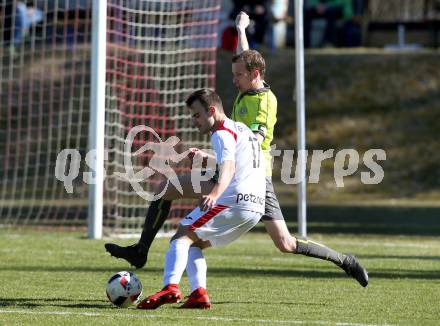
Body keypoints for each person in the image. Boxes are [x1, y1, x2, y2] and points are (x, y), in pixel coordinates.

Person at [105, 11, 368, 288]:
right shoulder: (248, 87)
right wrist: (241, 28)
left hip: (251, 177)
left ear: (254, 75)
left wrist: (213, 159)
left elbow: (252, 141)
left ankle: (345, 260)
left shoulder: (263, 104)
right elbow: (244, 56)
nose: (234, 80)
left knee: (286, 243)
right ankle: (144, 252)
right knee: (168, 191)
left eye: (238, 75)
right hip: (232, 170)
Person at [136, 88, 266, 309]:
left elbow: (230, 165)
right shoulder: (240, 128)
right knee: (193, 243)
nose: (194, 121)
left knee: (180, 237)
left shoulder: (221, 132)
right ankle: (198, 293)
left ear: (212, 110)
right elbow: (236, 160)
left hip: (235, 199)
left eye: (197, 115)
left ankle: (170, 287)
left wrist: (215, 193)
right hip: (256, 206)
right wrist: (207, 158)